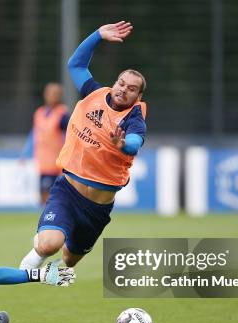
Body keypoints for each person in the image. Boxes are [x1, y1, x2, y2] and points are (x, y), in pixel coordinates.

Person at [19, 21, 147, 270]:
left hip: (97, 208)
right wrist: (97, 35)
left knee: (69, 260)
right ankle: (30, 262)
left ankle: (51, 256)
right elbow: (75, 65)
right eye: (121, 83)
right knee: (48, 245)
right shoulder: (93, 93)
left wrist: (122, 143)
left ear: (138, 97)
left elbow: (134, 143)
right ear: (115, 82)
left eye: (132, 89)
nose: (124, 89)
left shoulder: (134, 119)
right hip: (67, 190)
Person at [21, 83, 70, 205]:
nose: (52, 96)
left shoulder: (63, 115)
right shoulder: (39, 113)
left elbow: (69, 136)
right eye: (50, 93)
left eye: (55, 93)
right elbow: (34, 135)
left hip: (58, 165)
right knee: (43, 197)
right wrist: (25, 154)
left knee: (53, 198)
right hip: (43, 163)